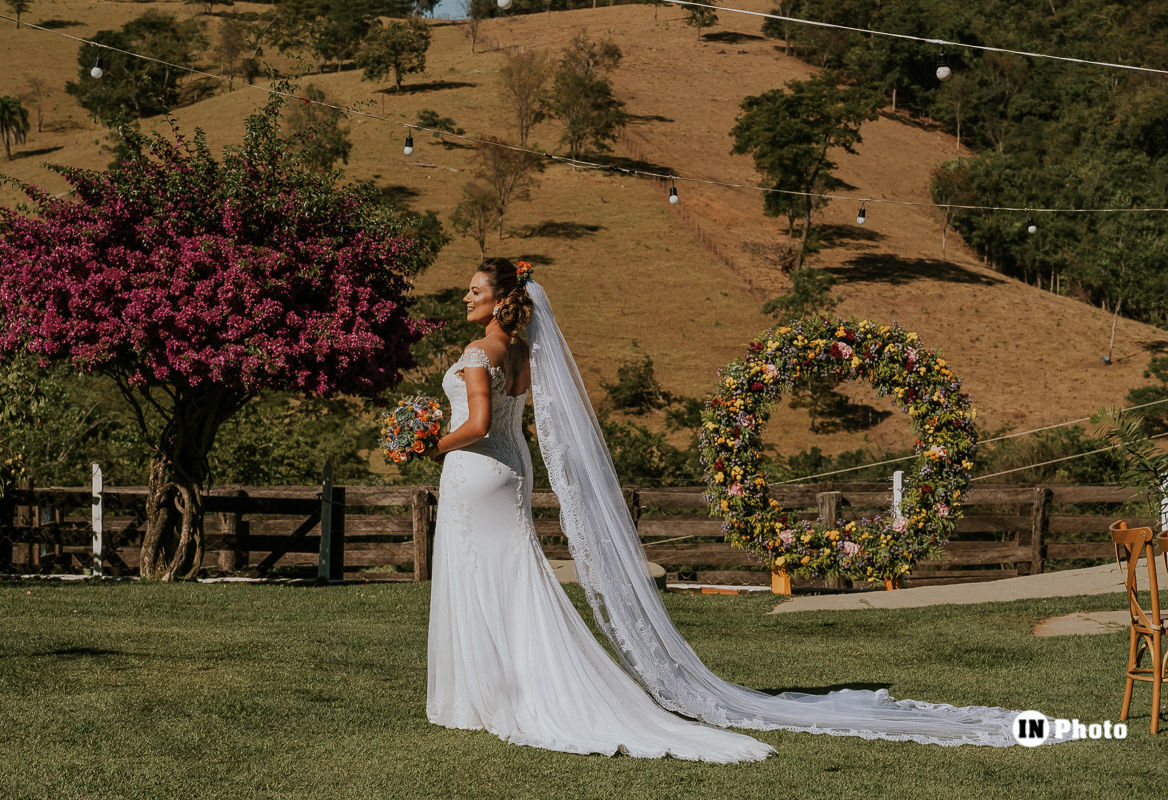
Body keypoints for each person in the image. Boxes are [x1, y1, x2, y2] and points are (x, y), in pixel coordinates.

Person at [425, 257, 1047, 761]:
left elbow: (478, 423)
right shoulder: (523, 354)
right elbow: (509, 414)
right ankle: (510, 687)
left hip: (478, 472)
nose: (466, 298)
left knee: (486, 576)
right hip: (510, 471)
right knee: (512, 578)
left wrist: (431, 441)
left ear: (500, 298)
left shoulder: (482, 351)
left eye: (474, 290)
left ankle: (495, 695)